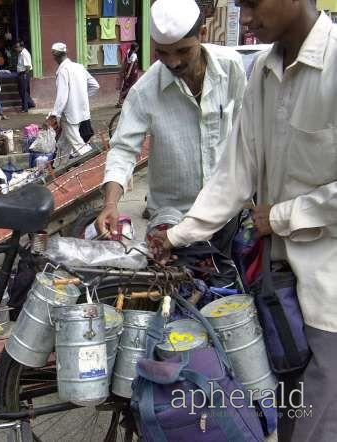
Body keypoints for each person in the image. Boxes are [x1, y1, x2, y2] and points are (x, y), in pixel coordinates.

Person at [149, 2, 337, 441]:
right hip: (277, 289)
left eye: (252, 3)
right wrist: (177, 235)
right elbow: (235, 170)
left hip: (328, 296)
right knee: (287, 413)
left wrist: (285, 215)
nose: (246, 18)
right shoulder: (264, 72)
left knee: (319, 426)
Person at [97, 0, 246, 249]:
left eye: (183, 51)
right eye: (163, 53)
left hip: (227, 212)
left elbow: (247, 132)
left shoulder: (231, 67)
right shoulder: (145, 90)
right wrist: (111, 204)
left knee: (231, 283)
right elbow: (123, 150)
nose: (173, 62)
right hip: (172, 220)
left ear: (203, 34)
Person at [46, 42, 100, 168]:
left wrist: (55, 114)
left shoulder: (63, 71)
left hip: (69, 115)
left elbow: (62, 96)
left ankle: (95, 167)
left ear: (54, 56)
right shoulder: (79, 67)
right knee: (63, 144)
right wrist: (82, 97)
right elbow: (95, 86)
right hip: (82, 112)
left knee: (79, 146)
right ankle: (58, 168)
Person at [13, 40, 35, 112]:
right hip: (21, 74)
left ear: (21, 46)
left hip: (24, 74)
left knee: (24, 91)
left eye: (17, 47)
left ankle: (25, 108)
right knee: (22, 90)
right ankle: (30, 104)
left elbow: (28, 66)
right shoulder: (21, 53)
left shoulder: (24, 53)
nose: (16, 48)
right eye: (15, 47)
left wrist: (25, 75)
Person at [116, 42, 139, 106]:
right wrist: (128, 74)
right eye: (137, 48)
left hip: (127, 71)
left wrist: (123, 71)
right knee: (131, 86)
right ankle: (121, 98)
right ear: (136, 48)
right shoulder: (134, 55)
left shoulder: (128, 52)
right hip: (132, 73)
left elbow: (125, 62)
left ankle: (120, 101)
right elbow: (131, 66)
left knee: (125, 86)